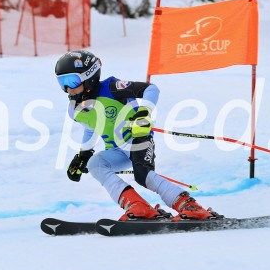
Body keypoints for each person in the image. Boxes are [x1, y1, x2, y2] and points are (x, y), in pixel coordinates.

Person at [55, 49, 222, 222]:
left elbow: (151, 89)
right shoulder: (74, 109)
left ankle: (190, 206)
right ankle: (138, 206)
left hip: (138, 139)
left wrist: (144, 112)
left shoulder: (112, 88)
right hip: (117, 150)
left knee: (143, 175)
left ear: (89, 76)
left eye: (72, 81)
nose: (68, 89)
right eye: (62, 83)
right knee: (95, 164)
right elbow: (90, 128)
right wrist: (84, 154)